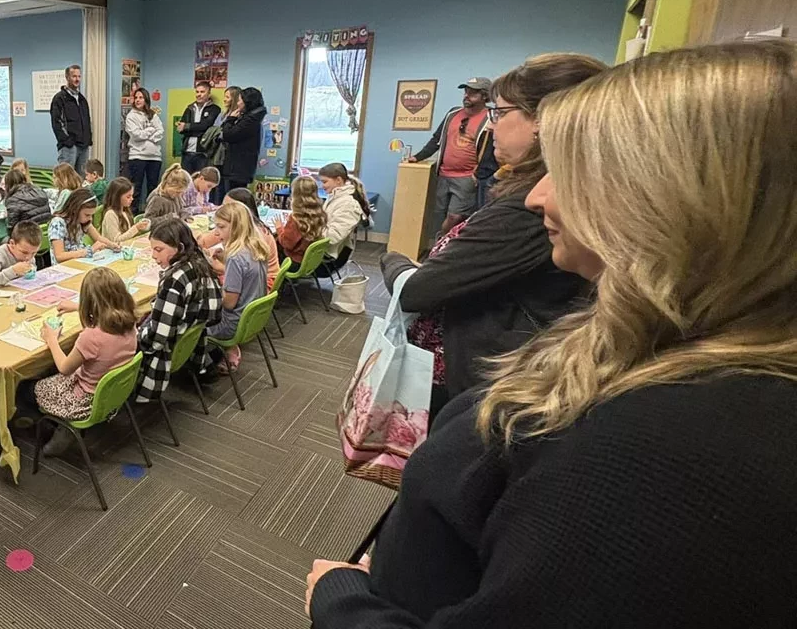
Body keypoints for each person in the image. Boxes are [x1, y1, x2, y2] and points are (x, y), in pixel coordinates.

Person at [308, 41, 797, 628]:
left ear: (673, 200)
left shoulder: (654, 447)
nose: (538, 194)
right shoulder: (648, 355)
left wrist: (342, 603)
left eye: (569, 172)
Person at [379, 54, 602, 417]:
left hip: (487, 382)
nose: (491, 127)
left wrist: (394, 260)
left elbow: (417, 291)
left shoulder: (525, 212)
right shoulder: (530, 190)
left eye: (499, 114)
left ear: (543, 121)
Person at [35, 267, 139, 455]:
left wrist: (51, 339)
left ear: (90, 302)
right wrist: (77, 307)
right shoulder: (130, 322)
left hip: (85, 402)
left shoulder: (91, 337)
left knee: (34, 386)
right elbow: (107, 310)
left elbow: (65, 368)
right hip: (112, 395)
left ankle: (63, 430)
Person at [135, 220, 223, 404]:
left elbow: (156, 339)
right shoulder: (199, 262)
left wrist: (136, 334)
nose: (153, 256)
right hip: (187, 340)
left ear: (179, 247)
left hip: (162, 353)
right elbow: (214, 312)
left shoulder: (174, 281)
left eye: (159, 250)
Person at [409, 78, 495, 233]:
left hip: (467, 177)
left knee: (456, 216)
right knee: (439, 214)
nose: (467, 96)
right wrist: (418, 157)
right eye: (466, 91)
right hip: (444, 174)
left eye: (473, 93)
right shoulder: (452, 114)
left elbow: (492, 149)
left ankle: (444, 244)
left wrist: (478, 173)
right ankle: (440, 248)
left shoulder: (491, 117)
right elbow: (437, 139)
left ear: (484, 96)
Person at [206, 202, 269, 370]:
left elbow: (229, 302)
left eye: (221, 227)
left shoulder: (235, 257)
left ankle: (200, 364)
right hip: (250, 320)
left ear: (237, 227)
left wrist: (208, 294)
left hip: (230, 324)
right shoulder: (256, 247)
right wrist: (225, 258)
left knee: (189, 318)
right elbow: (246, 271)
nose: (216, 232)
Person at [316, 163, 371, 275]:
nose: (322, 186)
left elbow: (332, 237)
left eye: (325, 182)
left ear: (338, 180)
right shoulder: (335, 197)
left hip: (330, 259)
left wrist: (310, 229)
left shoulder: (348, 204)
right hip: (325, 251)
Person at [222, 188, 279, 291]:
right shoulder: (239, 226)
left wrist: (221, 267)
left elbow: (245, 270)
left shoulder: (256, 234)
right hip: (255, 278)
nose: (223, 211)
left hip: (262, 283)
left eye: (229, 208)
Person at [48, 189, 119, 264]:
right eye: (87, 215)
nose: (90, 218)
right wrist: (89, 250)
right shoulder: (58, 223)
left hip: (80, 263)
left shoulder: (82, 221)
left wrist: (113, 245)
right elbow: (59, 256)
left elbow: (98, 238)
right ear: (75, 210)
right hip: (64, 268)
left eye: (92, 215)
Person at [125, 87, 165, 209]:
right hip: (138, 156)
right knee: (135, 189)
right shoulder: (131, 116)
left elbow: (160, 132)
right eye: (136, 98)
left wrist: (148, 134)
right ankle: (133, 214)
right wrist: (151, 130)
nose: (138, 100)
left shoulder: (153, 115)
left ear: (146, 99)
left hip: (154, 157)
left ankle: (150, 213)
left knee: (153, 189)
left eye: (141, 97)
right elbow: (136, 135)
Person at [220, 87, 266, 192]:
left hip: (238, 168)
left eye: (240, 100)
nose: (238, 103)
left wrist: (230, 119)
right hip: (239, 167)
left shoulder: (250, 120)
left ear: (247, 102)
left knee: (235, 196)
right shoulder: (251, 117)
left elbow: (228, 135)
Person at [50, 64, 91, 176]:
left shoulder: (82, 99)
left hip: (83, 146)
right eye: (74, 76)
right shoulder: (60, 98)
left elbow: (87, 121)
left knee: (81, 180)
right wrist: (67, 141)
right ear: (67, 77)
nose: (77, 79)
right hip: (69, 147)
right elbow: (57, 123)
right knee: (66, 179)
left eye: (79, 76)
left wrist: (88, 140)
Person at [276, 175, 326, 265]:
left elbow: (286, 243)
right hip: (309, 260)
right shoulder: (320, 213)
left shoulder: (296, 218)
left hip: (293, 261)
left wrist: (279, 228)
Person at [177, 80, 222, 175]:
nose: (199, 94)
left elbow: (207, 126)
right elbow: (181, 128)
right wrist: (190, 128)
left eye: (202, 92)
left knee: (202, 181)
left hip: (203, 153)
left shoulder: (215, 109)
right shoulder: (189, 108)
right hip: (187, 152)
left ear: (209, 94)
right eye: (197, 92)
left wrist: (188, 127)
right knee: (186, 182)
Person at [0, 220, 40, 288]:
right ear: (12, 243)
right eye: (24, 252)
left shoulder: (29, 253)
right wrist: (13, 271)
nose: (28, 257)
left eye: (34, 253)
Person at [210, 86, 241, 205]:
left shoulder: (238, 115)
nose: (224, 99)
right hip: (218, 153)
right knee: (217, 184)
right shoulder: (222, 114)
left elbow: (227, 133)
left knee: (228, 187)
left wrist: (221, 133)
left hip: (229, 155)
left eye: (227, 97)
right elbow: (215, 130)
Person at [99, 177, 150, 243]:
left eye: (132, 196)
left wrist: (140, 229)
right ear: (117, 197)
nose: (132, 199)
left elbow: (128, 235)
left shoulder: (125, 211)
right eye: (128, 197)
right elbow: (116, 240)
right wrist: (136, 228)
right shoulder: (110, 214)